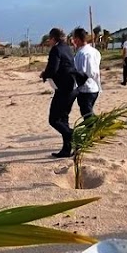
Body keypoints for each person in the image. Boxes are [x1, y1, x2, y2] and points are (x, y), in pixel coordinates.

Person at [40, 28, 78, 158]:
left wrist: (44, 74)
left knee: (54, 120)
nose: (49, 41)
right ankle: (67, 149)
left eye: (49, 39)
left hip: (64, 89)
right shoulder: (68, 48)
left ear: (53, 38)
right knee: (63, 118)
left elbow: (53, 69)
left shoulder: (56, 49)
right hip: (73, 88)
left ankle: (72, 135)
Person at [71, 28, 101, 118]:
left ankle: (97, 129)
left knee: (87, 115)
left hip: (86, 89)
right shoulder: (95, 51)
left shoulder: (82, 54)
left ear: (77, 39)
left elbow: (82, 73)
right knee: (88, 112)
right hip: (95, 86)